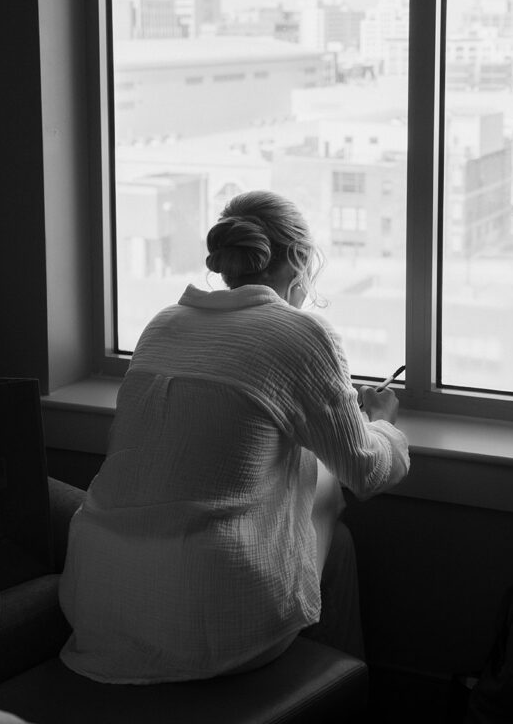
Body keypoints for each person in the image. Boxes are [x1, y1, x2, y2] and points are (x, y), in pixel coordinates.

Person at [58, 190, 409, 683]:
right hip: (210, 621)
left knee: (332, 532)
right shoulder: (302, 334)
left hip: (98, 601)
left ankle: (339, 681)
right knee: (328, 482)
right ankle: (347, 690)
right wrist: (383, 424)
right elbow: (367, 471)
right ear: (299, 259)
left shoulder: (162, 324)